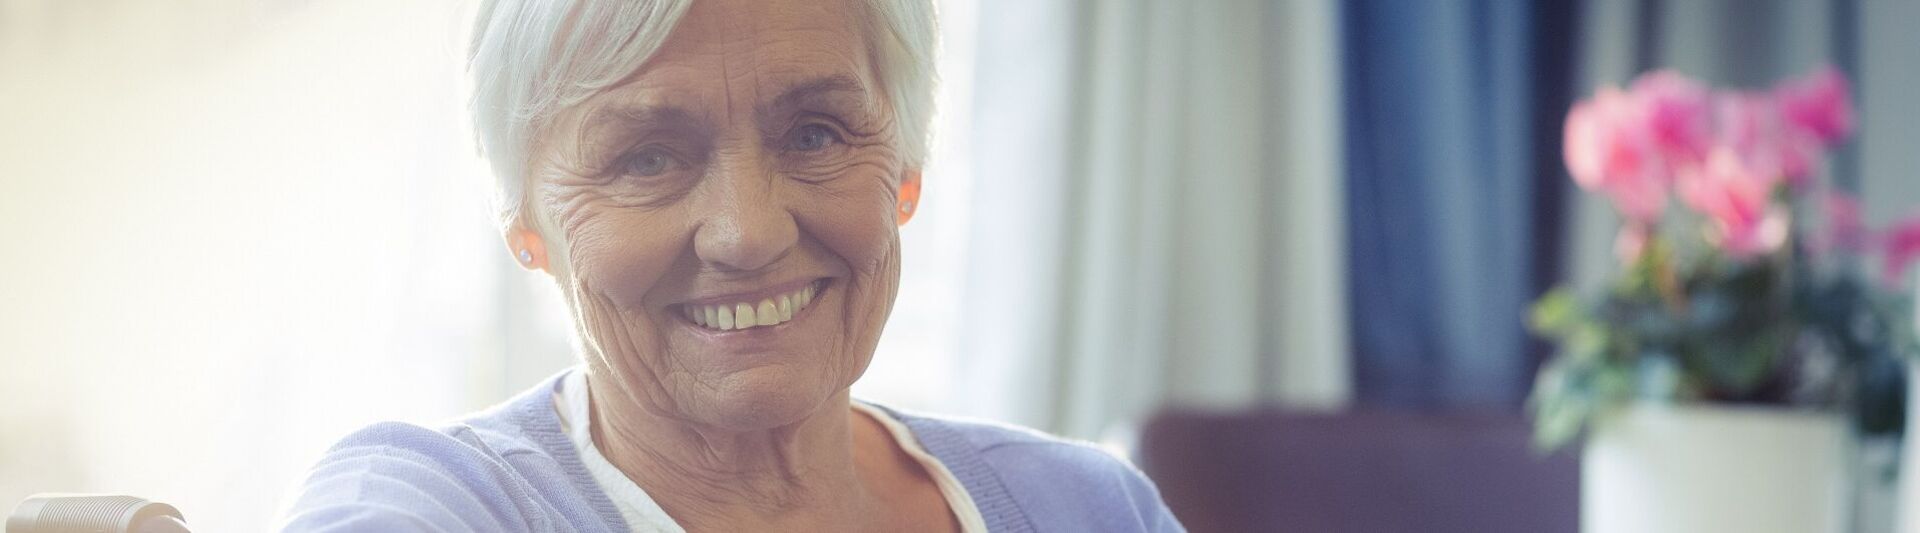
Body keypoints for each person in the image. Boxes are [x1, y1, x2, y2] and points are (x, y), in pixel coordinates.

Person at [278, 0, 1183, 531]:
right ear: (526, 224)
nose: (746, 232)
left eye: (816, 133)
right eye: (647, 157)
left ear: (905, 171)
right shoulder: (436, 499)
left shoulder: (1089, 504)